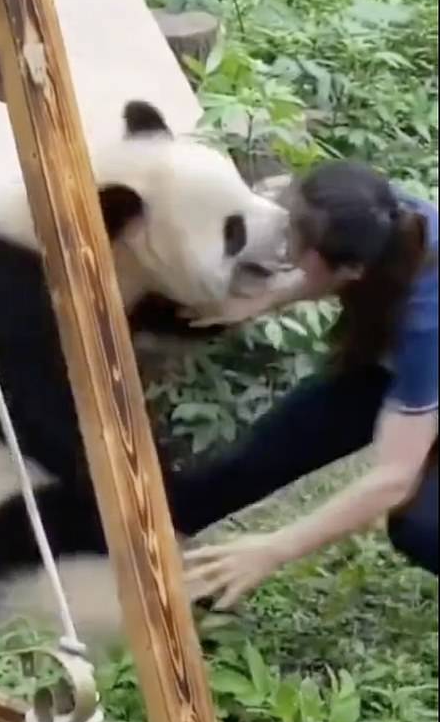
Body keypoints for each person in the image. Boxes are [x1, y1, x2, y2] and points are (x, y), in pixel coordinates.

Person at [169, 160, 438, 609]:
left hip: (422, 358)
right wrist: (264, 299)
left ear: (352, 270)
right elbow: (323, 270)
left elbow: (393, 477)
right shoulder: (372, 214)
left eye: (295, 248)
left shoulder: (426, 321)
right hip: (402, 363)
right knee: (276, 445)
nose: (284, 254)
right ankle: (144, 540)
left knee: (422, 527)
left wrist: (274, 549)